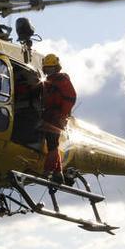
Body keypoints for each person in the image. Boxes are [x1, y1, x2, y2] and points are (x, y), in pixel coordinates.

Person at [41, 53, 77, 184]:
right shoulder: (48, 82)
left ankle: (49, 170)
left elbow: (71, 97)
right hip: (49, 116)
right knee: (51, 143)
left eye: (51, 68)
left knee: (52, 143)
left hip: (56, 117)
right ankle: (58, 172)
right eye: (47, 69)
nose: (49, 71)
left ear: (56, 68)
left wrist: (63, 115)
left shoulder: (61, 80)